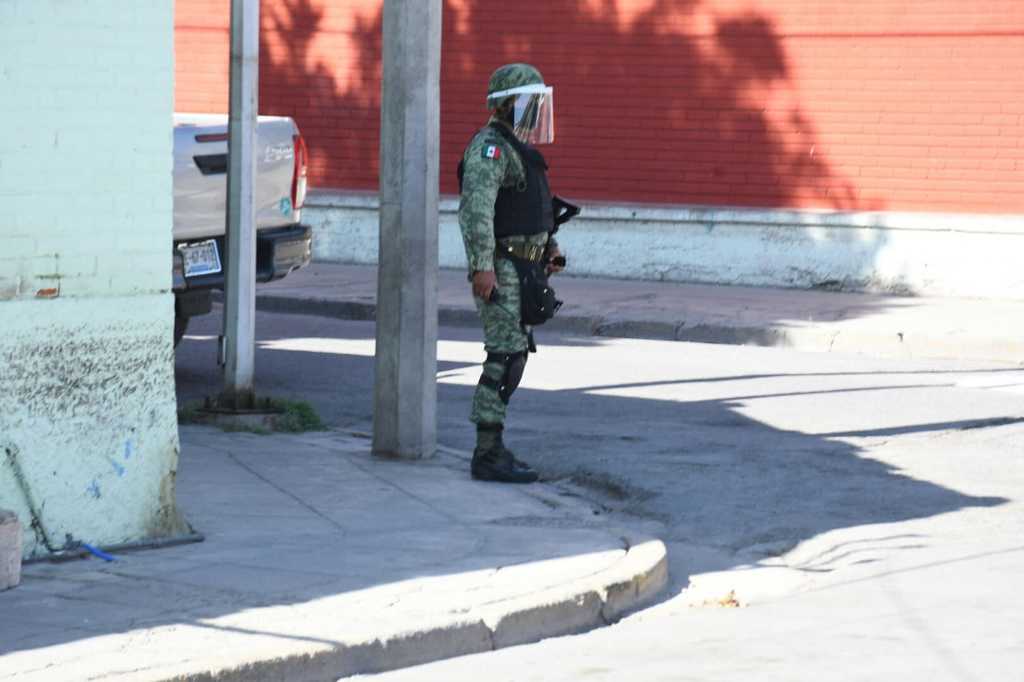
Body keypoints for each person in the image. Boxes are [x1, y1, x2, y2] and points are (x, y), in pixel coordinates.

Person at [457, 63, 565, 484]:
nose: (536, 111)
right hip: (501, 270)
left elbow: (533, 208)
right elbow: (477, 212)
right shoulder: (490, 148)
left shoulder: (518, 149)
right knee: (504, 357)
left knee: (514, 354)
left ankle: (493, 447)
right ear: (507, 105)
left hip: (524, 269)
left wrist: (550, 249)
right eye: (528, 103)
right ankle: (487, 452)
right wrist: (481, 268)